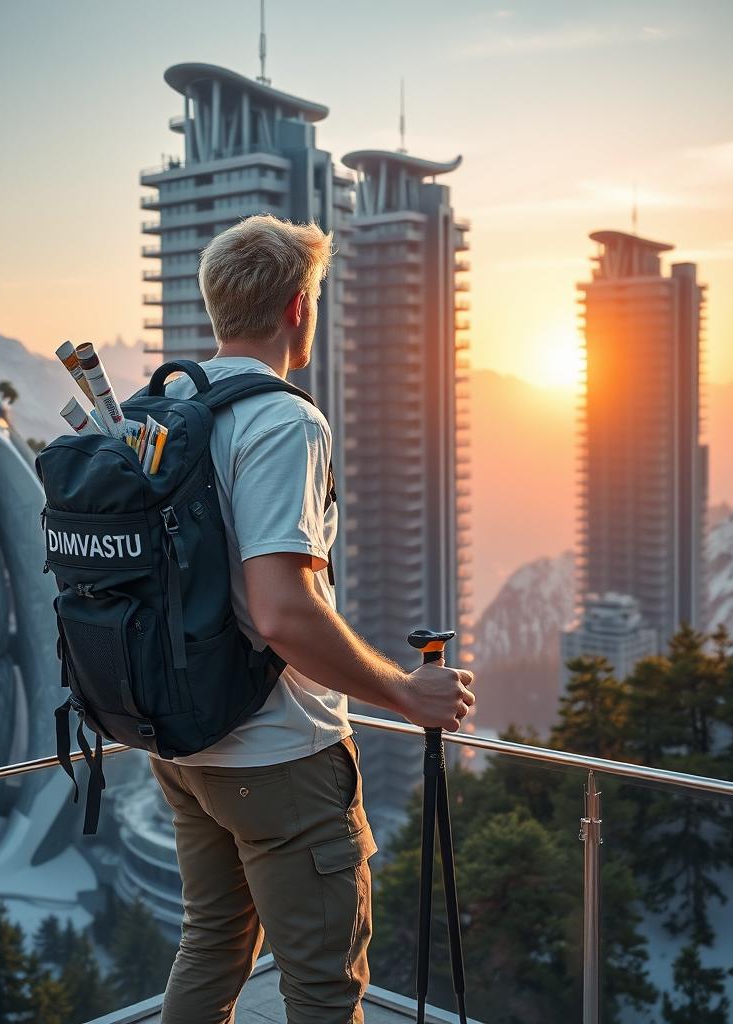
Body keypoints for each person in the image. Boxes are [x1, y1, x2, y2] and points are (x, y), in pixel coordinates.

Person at [147, 213, 476, 1024]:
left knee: (215, 941)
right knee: (325, 987)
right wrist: (407, 693)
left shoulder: (169, 412)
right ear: (299, 308)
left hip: (182, 742)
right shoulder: (283, 420)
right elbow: (282, 612)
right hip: (280, 755)